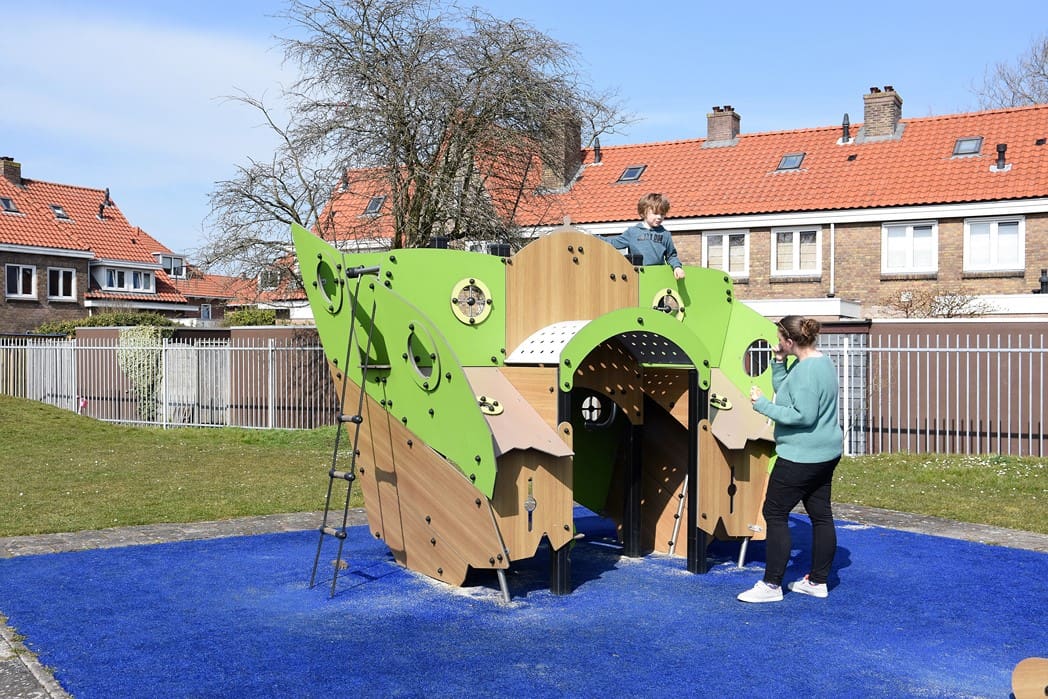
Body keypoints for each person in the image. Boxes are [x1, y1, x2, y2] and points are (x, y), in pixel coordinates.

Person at [737, 315, 843, 603]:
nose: (777, 343)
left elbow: (802, 415)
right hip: (825, 452)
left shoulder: (806, 372)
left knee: (774, 512)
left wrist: (762, 406)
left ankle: (771, 585)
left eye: (779, 339)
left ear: (790, 340)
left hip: (801, 455)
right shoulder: (820, 362)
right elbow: (786, 393)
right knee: (821, 514)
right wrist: (779, 361)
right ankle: (817, 582)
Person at [602, 193, 686, 279]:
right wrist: (594, 237)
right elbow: (613, 242)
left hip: (658, 276)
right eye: (655, 213)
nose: (659, 217)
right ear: (643, 212)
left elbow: (671, 256)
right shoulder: (632, 232)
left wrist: (677, 267)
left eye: (662, 214)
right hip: (638, 277)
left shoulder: (665, 234)